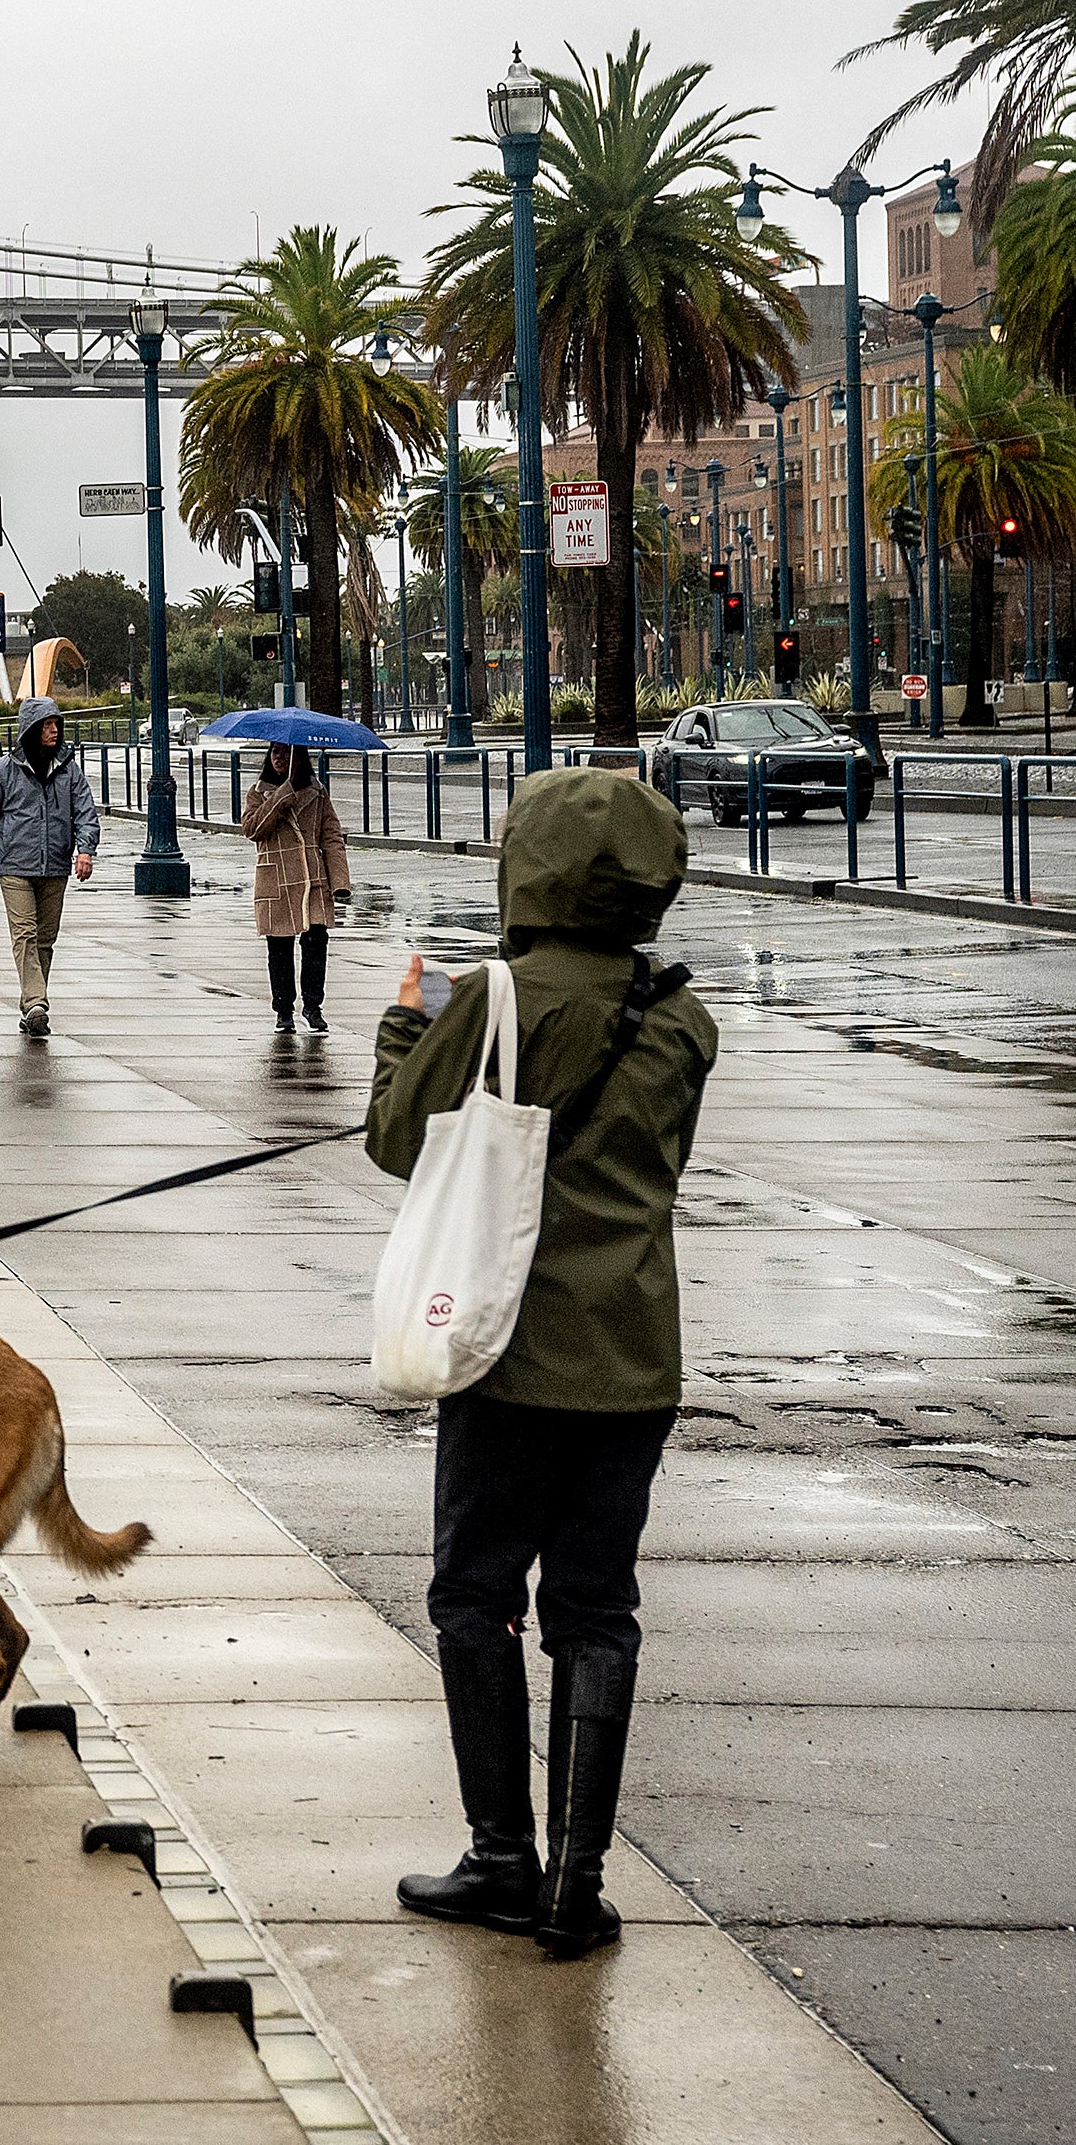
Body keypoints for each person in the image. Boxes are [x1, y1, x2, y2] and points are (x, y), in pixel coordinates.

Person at [368, 766, 715, 1962]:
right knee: (595, 1610)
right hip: (633, 1357)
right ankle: (578, 1880)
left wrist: (408, 1025)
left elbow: (393, 1141)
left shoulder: (501, 997)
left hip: (505, 1350)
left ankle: (501, 1856)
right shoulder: (681, 1015)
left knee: (473, 1596)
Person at [0, 697, 98, 1038]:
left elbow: (85, 812)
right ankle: (37, 1002)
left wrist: (86, 850)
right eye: (48, 725)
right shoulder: (4, 772)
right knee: (25, 935)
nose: (54, 730)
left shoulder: (69, 771)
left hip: (55, 867)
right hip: (15, 867)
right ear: (31, 730)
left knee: (45, 940)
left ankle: (31, 1008)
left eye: (56, 724)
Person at [239, 743, 353, 1036]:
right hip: (275, 879)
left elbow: (332, 836)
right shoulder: (258, 792)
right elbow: (252, 829)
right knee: (279, 949)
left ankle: (313, 1008)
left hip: (312, 879)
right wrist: (280, 798)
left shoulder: (317, 792)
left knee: (316, 944)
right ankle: (284, 1011)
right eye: (274, 752)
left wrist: (339, 882)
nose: (279, 758)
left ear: (299, 757)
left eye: (286, 752)